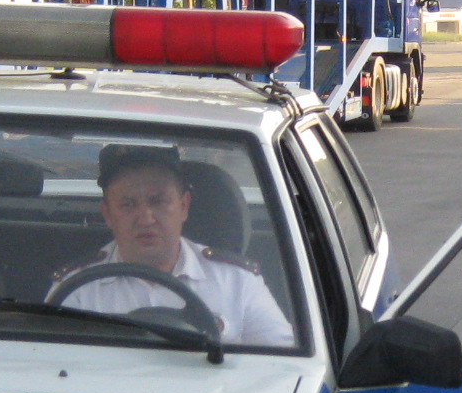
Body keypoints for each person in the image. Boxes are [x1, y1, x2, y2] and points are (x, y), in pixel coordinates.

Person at [49, 144, 295, 347]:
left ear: (184, 206)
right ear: (108, 215)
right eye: (127, 204)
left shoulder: (236, 281)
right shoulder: (77, 288)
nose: (145, 218)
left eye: (158, 201)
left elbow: (285, 370)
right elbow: (49, 368)